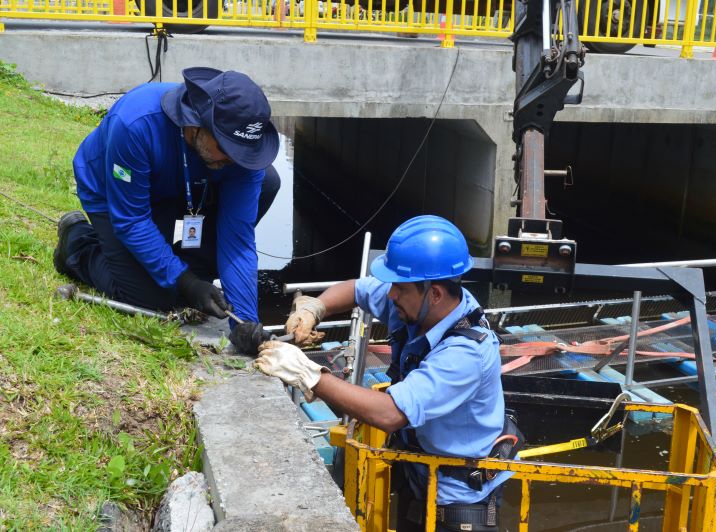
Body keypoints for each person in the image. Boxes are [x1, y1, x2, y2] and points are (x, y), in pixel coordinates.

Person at [256, 215, 522, 531]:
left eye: (398, 287)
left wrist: (307, 372)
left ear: (434, 293)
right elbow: (358, 290)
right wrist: (314, 309)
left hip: (459, 499)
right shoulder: (420, 300)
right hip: (419, 470)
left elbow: (390, 414)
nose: (390, 294)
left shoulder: (465, 354)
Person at [53, 67, 279, 354]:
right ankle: (77, 242)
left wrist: (245, 323)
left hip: (186, 188)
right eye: (229, 150)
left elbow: (238, 239)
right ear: (196, 124)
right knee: (151, 295)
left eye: (243, 152)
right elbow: (132, 221)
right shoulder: (136, 123)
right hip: (114, 194)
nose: (236, 160)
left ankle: (184, 266)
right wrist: (186, 283)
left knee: (268, 182)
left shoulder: (238, 159)